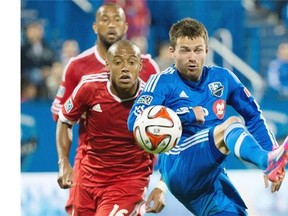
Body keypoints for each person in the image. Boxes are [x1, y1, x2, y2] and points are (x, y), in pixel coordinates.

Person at [127, 18, 288, 215]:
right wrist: (186, 116)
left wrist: (271, 150)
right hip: (180, 165)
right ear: (172, 52)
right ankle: (266, 161)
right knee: (231, 124)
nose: (192, 57)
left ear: (207, 51)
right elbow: (135, 121)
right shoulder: (162, 82)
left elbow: (253, 115)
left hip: (212, 175)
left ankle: (269, 161)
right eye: (185, 50)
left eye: (197, 50)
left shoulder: (223, 78)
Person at [51, 3, 160, 215]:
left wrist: (162, 181)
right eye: (105, 20)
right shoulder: (79, 69)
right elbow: (62, 116)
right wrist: (63, 161)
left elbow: (167, 123)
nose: (111, 25)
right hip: (90, 162)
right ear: (94, 26)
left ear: (126, 26)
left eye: (117, 20)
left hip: (130, 168)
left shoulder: (149, 68)